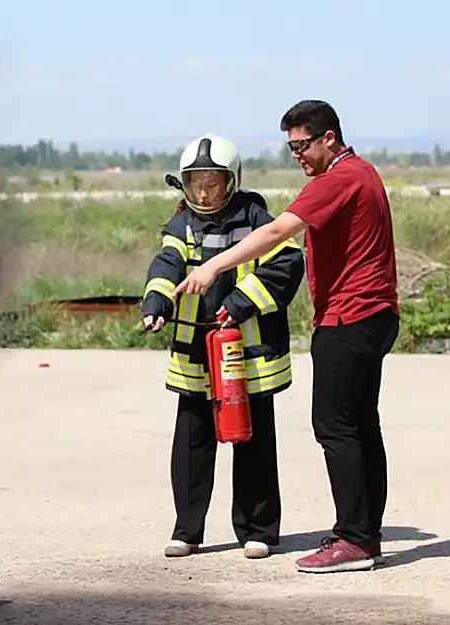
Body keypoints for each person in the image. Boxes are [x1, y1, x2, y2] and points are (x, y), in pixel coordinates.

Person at [174, 101, 400, 574]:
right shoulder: (365, 173)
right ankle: (365, 533)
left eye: (302, 144)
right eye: (291, 146)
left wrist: (216, 264)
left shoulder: (338, 179)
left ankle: (354, 541)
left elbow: (279, 231)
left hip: (348, 319)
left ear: (329, 138)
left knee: (335, 428)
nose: (297, 154)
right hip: (376, 316)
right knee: (361, 425)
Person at [141, 133, 305, 560]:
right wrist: (156, 300)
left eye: (212, 182)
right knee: (192, 444)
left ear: (231, 181)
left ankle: (259, 531)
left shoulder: (255, 217)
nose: (203, 191)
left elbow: (288, 261)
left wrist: (239, 303)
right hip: (196, 352)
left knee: (253, 442)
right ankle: (187, 531)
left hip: (249, 355)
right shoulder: (181, 224)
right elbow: (167, 262)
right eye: (194, 183)